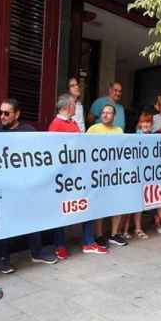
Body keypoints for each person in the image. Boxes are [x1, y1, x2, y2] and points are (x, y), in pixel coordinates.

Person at [0, 99, 58, 273]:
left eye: (7, 113)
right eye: (1, 113)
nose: (2, 116)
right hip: (3, 187)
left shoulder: (29, 131)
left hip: (25, 186)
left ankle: (36, 252)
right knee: (4, 222)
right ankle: (2, 258)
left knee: (33, 218)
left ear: (17, 114)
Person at [49, 93, 106, 255]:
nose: (76, 107)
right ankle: (59, 246)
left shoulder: (72, 122)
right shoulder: (56, 125)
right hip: (65, 176)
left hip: (79, 173)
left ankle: (89, 242)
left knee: (87, 205)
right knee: (62, 210)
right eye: (74, 104)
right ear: (67, 107)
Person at [87, 104, 129, 247]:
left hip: (115, 174)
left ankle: (114, 234)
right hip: (98, 174)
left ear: (114, 116)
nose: (105, 115)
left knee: (117, 204)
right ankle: (98, 235)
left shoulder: (119, 131)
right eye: (103, 112)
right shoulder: (93, 129)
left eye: (109, 113)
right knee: (100, 205)